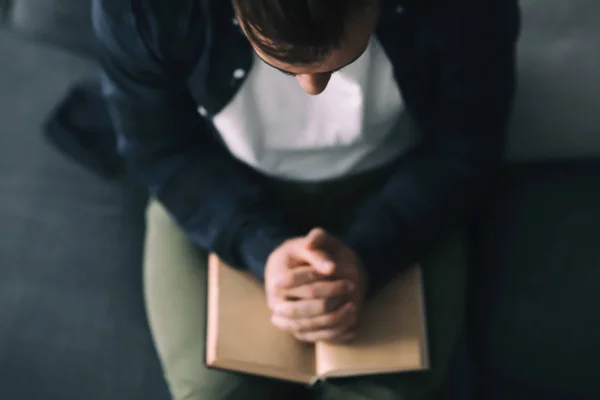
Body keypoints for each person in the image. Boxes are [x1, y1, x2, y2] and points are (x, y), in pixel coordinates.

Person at [92, 0, 519, 398]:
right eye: (284, 61)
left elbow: (465, 146)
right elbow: (160, 146)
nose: (312, 88)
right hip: (218, 182)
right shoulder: (143, 8)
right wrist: (260, 245)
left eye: (337, 61)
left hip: (401, 181)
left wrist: (372, 255)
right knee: (212, 391)